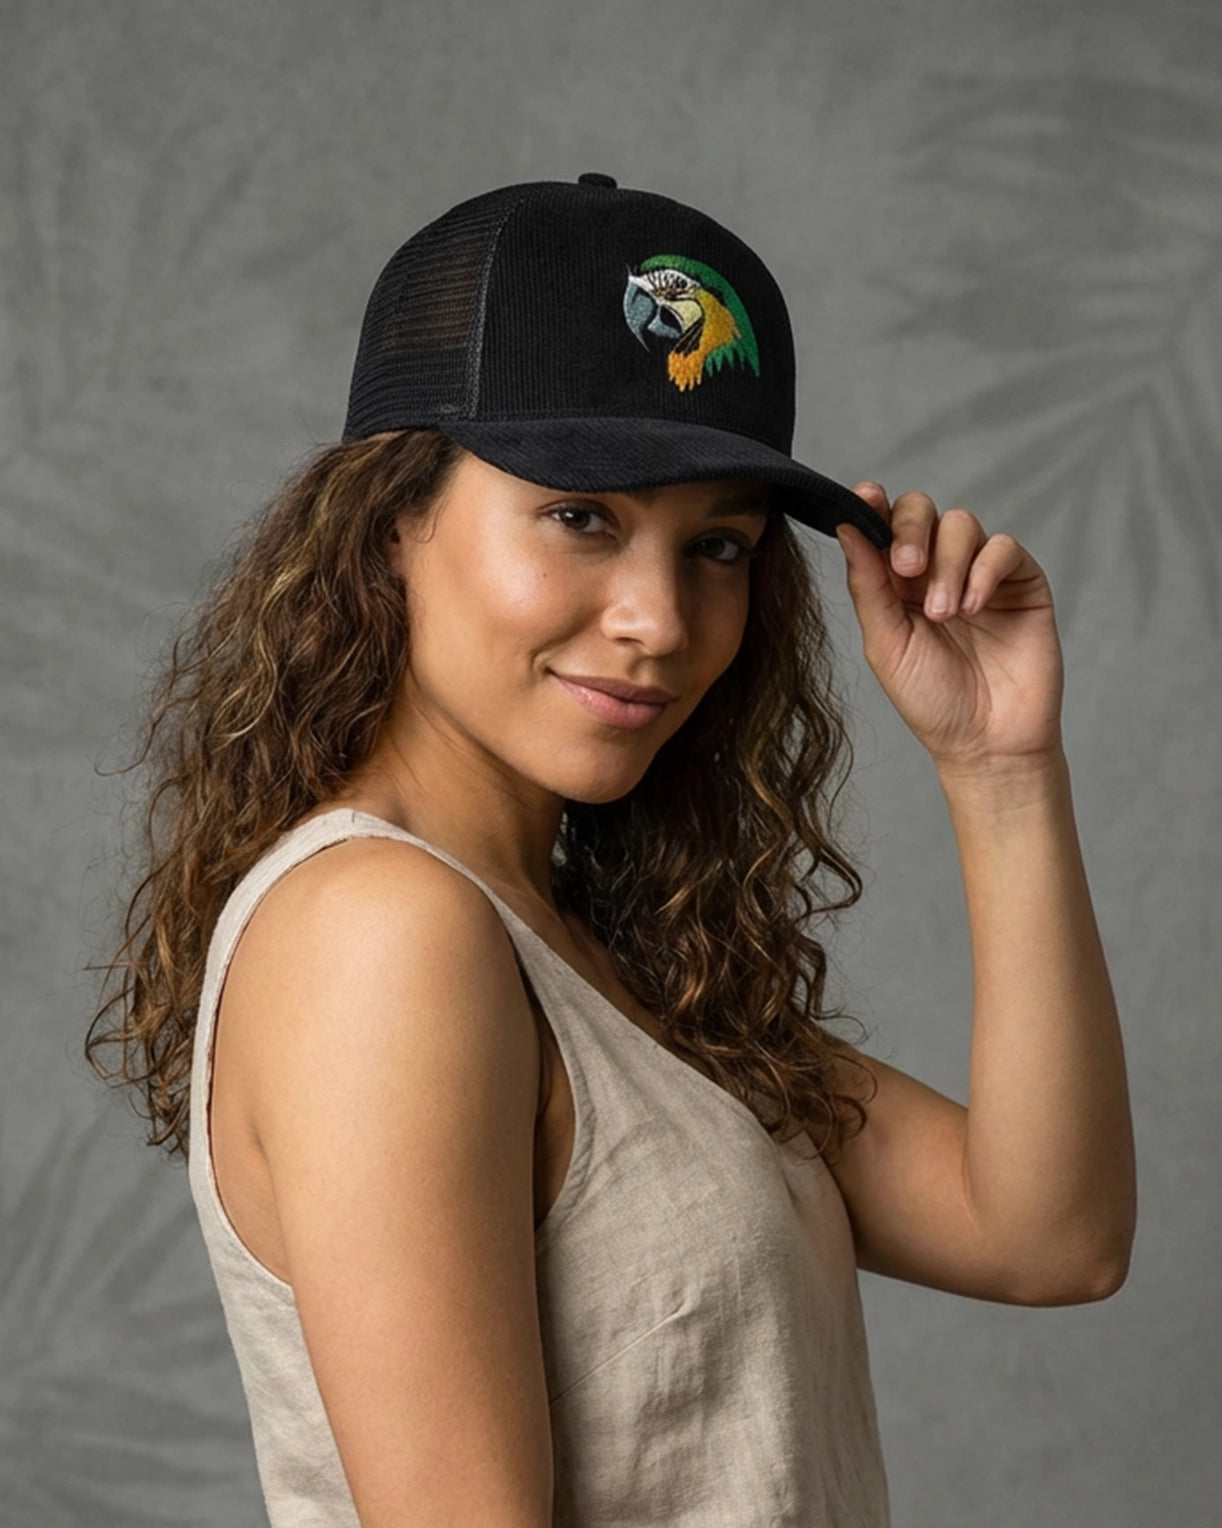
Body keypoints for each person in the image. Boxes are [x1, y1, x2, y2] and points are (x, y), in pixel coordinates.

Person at [87, 174, 1136, 1528]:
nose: (658, 619)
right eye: (582, 517)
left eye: (716, 545)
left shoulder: (587, 944)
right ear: (392, 520)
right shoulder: (380, 931)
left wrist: (1000, 771)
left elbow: (1047, 1236)